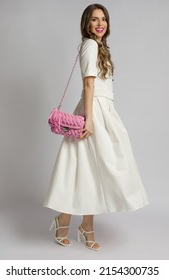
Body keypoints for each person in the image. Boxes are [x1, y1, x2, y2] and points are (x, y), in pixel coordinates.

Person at [43, 3, 149, 251]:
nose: (100, 23)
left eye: (103, 19)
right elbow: (89, 85)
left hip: (102, 111)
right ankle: (71, 221)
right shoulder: (90, 46)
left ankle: (79, 224)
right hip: (94, 112)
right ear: (86, 24)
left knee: (91, 171)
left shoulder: (100, 47)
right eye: (94, 20)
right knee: (89, 169)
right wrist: (89, 120)